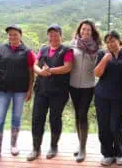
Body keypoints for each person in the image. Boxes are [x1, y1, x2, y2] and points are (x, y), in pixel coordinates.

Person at [27, 24, 74, 161]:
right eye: (50, 34)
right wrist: (40, 71)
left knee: (54, 118)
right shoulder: (43, 49)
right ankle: (36, 148)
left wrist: (50, 70)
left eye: (56, 34)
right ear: (48, 36)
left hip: (59, 91)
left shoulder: (67, 50)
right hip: (41, 90)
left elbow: (67, 67)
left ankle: (53, 146)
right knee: (37, 118)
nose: (53, 37)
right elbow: (35, 64)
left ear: (61, 35)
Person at [0, 24, 36, 163]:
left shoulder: (27, 51)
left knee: (16, 118)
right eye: (10, 34)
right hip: (3, 89)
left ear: (20, 35)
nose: (12, 36)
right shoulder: (0, 48)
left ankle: (13, 144)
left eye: (15, 34)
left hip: (20, 90)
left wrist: (30, 89)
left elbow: (31, 71)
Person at [94, 31, 122, 166]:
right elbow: (97, 73)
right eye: (107, 42)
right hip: (102, 96)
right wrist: (105, 59)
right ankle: (107, 154)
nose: (110, 44)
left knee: (117, 126)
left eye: (112, 41)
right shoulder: (102, 54)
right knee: (104, 126)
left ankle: (120, 153)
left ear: (119, 41)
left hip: (119, 96)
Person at [69, 19, 101, 162]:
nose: (85, 32)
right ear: (79, 31)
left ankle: (83, 149)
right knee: (77, 115)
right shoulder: (72, 46)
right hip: (73, 85)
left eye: (88, 29)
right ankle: (79, 143)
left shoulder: (97, 48)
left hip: (88, 86)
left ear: (92, 32)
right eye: (83, 29)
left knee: (83, 115)